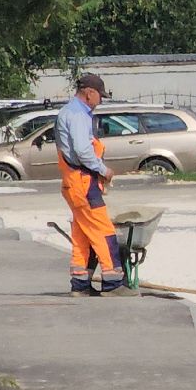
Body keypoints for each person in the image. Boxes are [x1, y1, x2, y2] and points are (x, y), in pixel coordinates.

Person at [56, 73, 133, 297]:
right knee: (103, 231)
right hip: (83, 181)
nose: (100, 101)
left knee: (82, 234)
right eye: (100, 96)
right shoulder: (79, 115)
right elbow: (82, 150)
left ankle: (80, 285)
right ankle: (113, 283)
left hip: (72, 182)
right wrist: (103, 170)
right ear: (89, 93)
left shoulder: (68, 112)